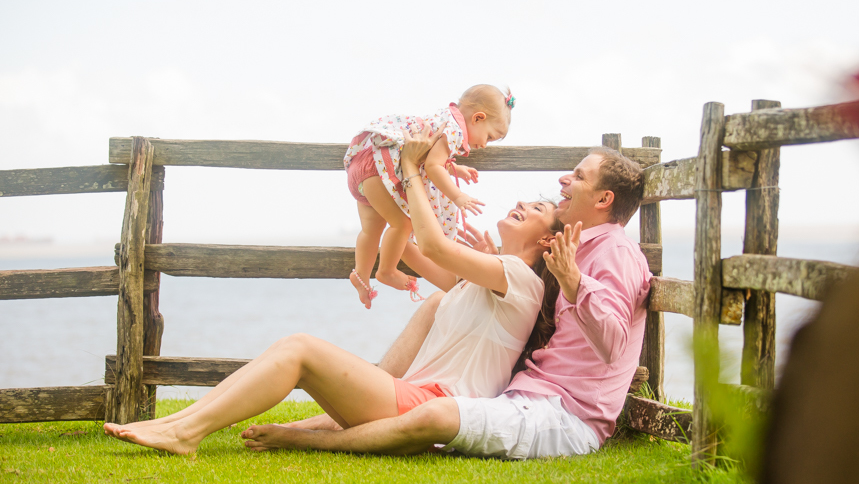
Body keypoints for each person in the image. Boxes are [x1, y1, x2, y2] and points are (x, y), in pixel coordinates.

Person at [102, 126, 558, 455]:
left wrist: (413, 170)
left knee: (300, 348)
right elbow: (414, 249)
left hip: (431, 408)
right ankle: (174, 423)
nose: (520, 204)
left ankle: (185, 433)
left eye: (536, 207)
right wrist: (379, 191)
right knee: (293, 346)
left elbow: (435, 243)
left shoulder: (522, 279)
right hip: (411, 399)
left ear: (547, 241)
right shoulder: (482, 280)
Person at [242, 132, 651, 460]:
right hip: (527, 395)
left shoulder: (614, 251)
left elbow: (613, 343)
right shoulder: (572, 248)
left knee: (433, 413)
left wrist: (574, 282)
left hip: (567, 417)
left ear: (603, 199)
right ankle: (304, 428)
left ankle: (309, 442)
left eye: (578, 176)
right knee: (412, 382)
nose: (565, 179)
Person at [345, 84, 514, 308]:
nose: (483, 145)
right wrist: (457, 196)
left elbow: (433, 159)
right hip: (378, 171)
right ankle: (386, 271)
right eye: (489, 137)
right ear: (478, 118)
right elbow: (434, 167)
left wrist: (456, 169)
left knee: (370, 230)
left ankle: (360, 276)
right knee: (402, 224)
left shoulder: (444, 119)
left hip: (364, 167)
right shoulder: (454, 130)